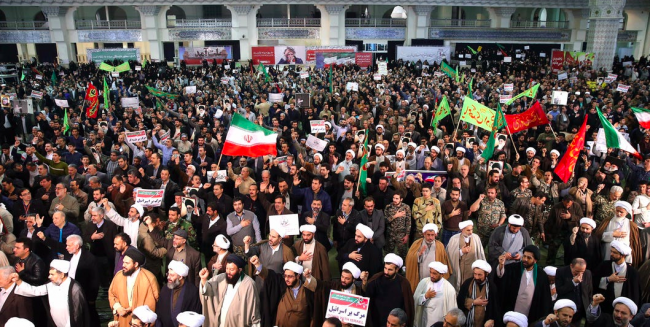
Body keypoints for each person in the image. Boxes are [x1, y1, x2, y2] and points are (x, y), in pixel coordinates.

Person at [12, 259, 91, 327]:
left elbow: (76, 314)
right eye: (49, 274)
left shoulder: (75, 289)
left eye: (52, 274)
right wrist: (19, 281)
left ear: (62, 274)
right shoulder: (51, 285)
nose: (49, 277)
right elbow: (35, 291)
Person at [250, 255, 316, 327]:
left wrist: (309, 277)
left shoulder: (306, 290)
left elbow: (316, 289)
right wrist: (258, 265)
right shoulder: (281, 285)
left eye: (290, 276)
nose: (286, 279)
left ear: (298, 276)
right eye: (285, 275)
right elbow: (269, 275)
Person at [199, 254, 261, 327]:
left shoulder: (249, 284)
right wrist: (203, 280)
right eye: (227, 268)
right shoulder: (220, 278)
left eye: (231, 270)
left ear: (239, 270)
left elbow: (254, 311)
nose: (228, 272)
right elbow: (207, 291)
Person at [495, 245, 553, 323]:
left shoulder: (541, 276)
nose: (525, 259)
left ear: (535, 260)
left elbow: (544, 299)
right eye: (524, 256)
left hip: (530, 313)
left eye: (529, 258)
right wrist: (501, 265)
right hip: (512, 309)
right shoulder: (513, 268)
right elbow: (501, 278)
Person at [108, 247, 160, 327]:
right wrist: (118, 307)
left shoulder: (149, 278)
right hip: (122, 320)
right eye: (123, 262)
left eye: (127, 263)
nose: (123, 265)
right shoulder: (119, 275)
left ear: (136, 264)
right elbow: (112, 294)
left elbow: (152, 302)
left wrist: (132, 309)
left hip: (139, 322)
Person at [363, 253, 415, 327]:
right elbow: (366, 296)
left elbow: (408, 306)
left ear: (397, 269)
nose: (386, 272)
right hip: (377, 321)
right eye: (385, 268)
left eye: (390, 269)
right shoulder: (376, 279)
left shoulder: (404, 284)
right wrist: (364, 282)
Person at [592, 241, 640, 314]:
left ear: (623, 255)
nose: (611, 254)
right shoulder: (604, 266)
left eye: (615, 253)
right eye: (611, 251)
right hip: (605, 310)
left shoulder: (632, 273)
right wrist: (608, 279)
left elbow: (635, 294)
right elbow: (593, 282)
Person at [65, 234, 100, 327]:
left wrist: (92, 298)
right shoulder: (69, 256)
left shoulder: (89, 258)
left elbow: (95, 279)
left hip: (85, 293)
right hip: (70, 291)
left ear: (77, 246)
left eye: (69, 245)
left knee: (89, 316)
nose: (66, 248)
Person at [155, 260, 202, 327]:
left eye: (172, 275)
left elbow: (195, 317)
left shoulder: (192, 292)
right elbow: (159, 313)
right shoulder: (165, 289)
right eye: (168, 274)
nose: (168, 277)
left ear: (180, 277)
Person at [405, 224, 451, 292]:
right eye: (428, 235)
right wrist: (418, 255)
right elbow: (409, 258)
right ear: (424, 234)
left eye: (432, 235)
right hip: (420, 277)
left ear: (436, 234)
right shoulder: (417, 244)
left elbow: (444, 262)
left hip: (435, 279)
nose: (430, 237)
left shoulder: (440, 246)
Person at [595, 201, 642, 266]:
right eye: (617, 211)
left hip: (623, 257)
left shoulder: (632, 225)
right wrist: (612, 234)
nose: (618, 213)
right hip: (607, 254)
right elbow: (598, 236)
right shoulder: (607, 221)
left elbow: (634, 243)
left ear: (626, 213)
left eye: (621, 212)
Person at [456, 260, 500, 327]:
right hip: (468, 322)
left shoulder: (492, 287)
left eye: (480, 275)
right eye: (475, 274)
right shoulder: (467, 283)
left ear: (486, 274)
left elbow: (495, 307)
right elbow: (459, 300)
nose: (476, 277)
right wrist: (473, 302)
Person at [413, 261, 458, 327]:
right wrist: (425, 296)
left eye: (434, 273)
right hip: (424, 319)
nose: (431, 275)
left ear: (442, 274)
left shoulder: (449, 289)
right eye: (430, 272)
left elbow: (452, 309)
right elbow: (415, 299)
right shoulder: (424, 283)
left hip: (439, 320)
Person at [446, 221, 486, 290]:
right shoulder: (454, 239)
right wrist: (461, 252)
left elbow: (480, 253)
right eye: (468, 230)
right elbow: (449, 255)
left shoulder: (476, 238)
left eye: (471, 229)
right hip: (459, 270)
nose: (471, 232)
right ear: (462, 230)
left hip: (472, 270)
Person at [554, 259, 591, 326]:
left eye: (582, 272)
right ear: (571, 266)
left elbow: (589, 292)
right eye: (576, 271)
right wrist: (573, 282)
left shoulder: (588, 273)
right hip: (565, 310)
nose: (579, 274)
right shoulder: (561, 272)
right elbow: (560, 291)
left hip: (579, 312)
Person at [384, 193, 412, 258]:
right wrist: (395, 216)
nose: (394, 200)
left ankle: (403, 267)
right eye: (394, 198)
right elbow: (385, 221)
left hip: (401, 234)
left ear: (401, 199)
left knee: (402, 254)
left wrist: (407, 235)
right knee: (389, 253)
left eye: (397, 198)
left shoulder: (406, 207)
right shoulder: (388, 207)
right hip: (390, 234)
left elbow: (408, 222)